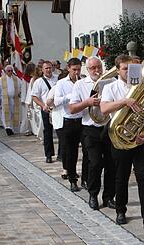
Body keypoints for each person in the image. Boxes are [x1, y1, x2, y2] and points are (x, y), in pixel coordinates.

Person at [100, 54, 144, 230]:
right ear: (118, 70)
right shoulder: (110, 88)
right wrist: (125, 101)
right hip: (120, 140)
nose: (128, 72)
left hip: (141, 140)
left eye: (131, 68)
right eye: (125, 68)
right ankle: (120, 210)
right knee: (121, 177)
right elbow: (104, 109)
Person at [69, 56, 116, 209]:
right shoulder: (80, 85)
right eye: (93, 68)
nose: (97, 70)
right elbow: (72, 108)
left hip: (108, 127)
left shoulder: (111, 82)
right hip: (90, 129)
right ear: (87, 70)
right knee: (95, 163)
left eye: (99, 67)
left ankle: (109, 196)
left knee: (111, 164)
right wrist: (87, 102)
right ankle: (93, 194)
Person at [55, 58, 83, 192]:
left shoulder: (83, 81)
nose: (76, 72)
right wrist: (71, 95)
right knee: (72, 153)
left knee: (88, 152)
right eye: (74, 70)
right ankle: (72, 180)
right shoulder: (61, 83)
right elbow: (56, 101)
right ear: (68, 68)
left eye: (78, 69)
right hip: (69, 121)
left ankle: (86, 179)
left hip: (82, 120)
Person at [32, 61, 58, 163]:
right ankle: (49, 155)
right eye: (46, 68)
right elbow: (34, 96)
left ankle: (61, 154)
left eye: (50, 68)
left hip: (58, 109)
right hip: (46, 109)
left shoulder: (58, 79)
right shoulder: (38, 82)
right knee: (48, 132)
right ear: (42, 70)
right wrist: (43, 105)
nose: (48, 70)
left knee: (61, 132)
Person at [0, 65, 22, 135]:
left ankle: (12, 128)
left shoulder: (16, 79)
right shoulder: (1, 79)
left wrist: (20, 93)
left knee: (13, 113)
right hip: (5, 99)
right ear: (5, 71)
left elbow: (21, 86)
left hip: (14, 99)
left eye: (11, 71)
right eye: (8, 71)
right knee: (6, 113)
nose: (10, 72)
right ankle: (7, 127)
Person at [25, 66, 44, 139]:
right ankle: (39, 133)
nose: (40, 72)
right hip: (36, 101)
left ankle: (40, 133)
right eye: (39, 70)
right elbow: (30, 91)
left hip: (43, 101)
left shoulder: (43, 79)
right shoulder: (33, 79)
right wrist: (29, 101)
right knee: (39, 118)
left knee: (42, 119)